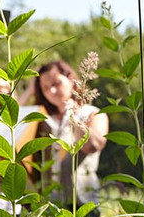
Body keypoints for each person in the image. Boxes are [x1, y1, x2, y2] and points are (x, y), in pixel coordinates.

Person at [31, 59, 109, 207]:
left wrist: (73, 116)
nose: (51, 91)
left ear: (71, 80)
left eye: (56, 84)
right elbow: (14, 127)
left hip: (83, 201)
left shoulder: (93, 113)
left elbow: (93, 145)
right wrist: (31, 89)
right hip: (52, 203)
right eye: (45, 88)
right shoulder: (43, 119)